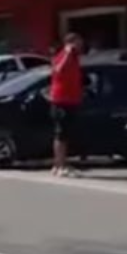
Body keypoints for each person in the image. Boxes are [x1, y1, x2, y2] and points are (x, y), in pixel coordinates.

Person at [50, 33, 85, 178]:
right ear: (70, 43)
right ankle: (59, 166)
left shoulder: (75, 58)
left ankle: (61, 164)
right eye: (78, 42)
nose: (80, 45)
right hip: (61, 101)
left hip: (71, 100)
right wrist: (67, 53)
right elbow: (59, 70)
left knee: (66, 135)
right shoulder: (62, 56)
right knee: (61, 135)